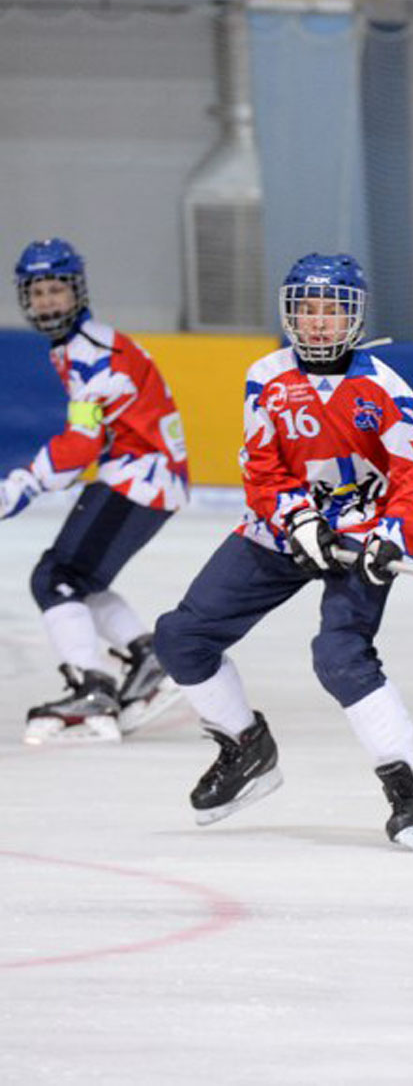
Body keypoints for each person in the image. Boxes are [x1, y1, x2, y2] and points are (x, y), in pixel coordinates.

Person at [154, 253, 413, 849]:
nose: (319, 322)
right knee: (180, 638)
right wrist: (296, 519)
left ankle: (411, 791)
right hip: (284, 530)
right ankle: (245, 747)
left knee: (340, 656)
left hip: (360, 535)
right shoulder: (266, 378)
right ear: (289, 314)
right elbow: (263, 469)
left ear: (355, 317)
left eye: (333, 310)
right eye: (307, 309)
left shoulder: (382, 388)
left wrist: (392, 536)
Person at [1, 238, 188, 744]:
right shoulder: (81, 345)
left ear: (77, 290)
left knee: (56, 578)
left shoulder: (93, 354)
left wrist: (23, 483)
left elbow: (81, 442)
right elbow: (94, 431)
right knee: (80, 577)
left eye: (56, 289)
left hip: (140, 477)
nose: (47, 301)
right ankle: (148, 658)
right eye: (37, 292)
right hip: (146, 474)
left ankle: (92, 689)